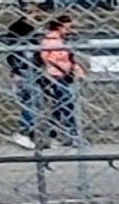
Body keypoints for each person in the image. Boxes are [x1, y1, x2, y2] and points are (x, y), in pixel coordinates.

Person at [39, 14, 87, 149]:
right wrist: (65, 68)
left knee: (59, 108)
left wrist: (76, 69)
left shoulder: (59, 41)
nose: (69, 31)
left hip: (62, 76)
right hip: (54, 77)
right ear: (59, 27)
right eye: (67, 28)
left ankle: (53, 136)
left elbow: (68, 59)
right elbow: (47, 58)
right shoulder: (51, 41)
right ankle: (73, 135)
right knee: (66, 106)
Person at [4, 5, 45, 146]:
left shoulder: (32, 30)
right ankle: (24, 131)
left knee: (36, 101)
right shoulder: (19, 28)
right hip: (24, 69)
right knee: (31, 100)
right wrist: (15, 71)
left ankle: (32, 133)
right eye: (33, 13)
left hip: (33, 69)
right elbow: (12, 54)